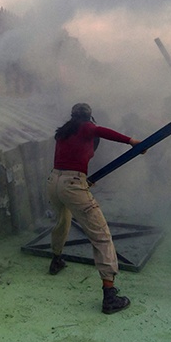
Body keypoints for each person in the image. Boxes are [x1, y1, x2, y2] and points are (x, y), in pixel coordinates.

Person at [46, 103, 141, 314]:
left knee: (62, 220)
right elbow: (100, 131)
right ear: (89, 117)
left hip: (55, 181)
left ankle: (56, 259)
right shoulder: (86, 127)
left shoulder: (64, 131)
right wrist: (131, 141)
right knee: (102, 236)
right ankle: (109, 295)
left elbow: (71, 159)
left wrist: (82, 180)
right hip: (72, 184)